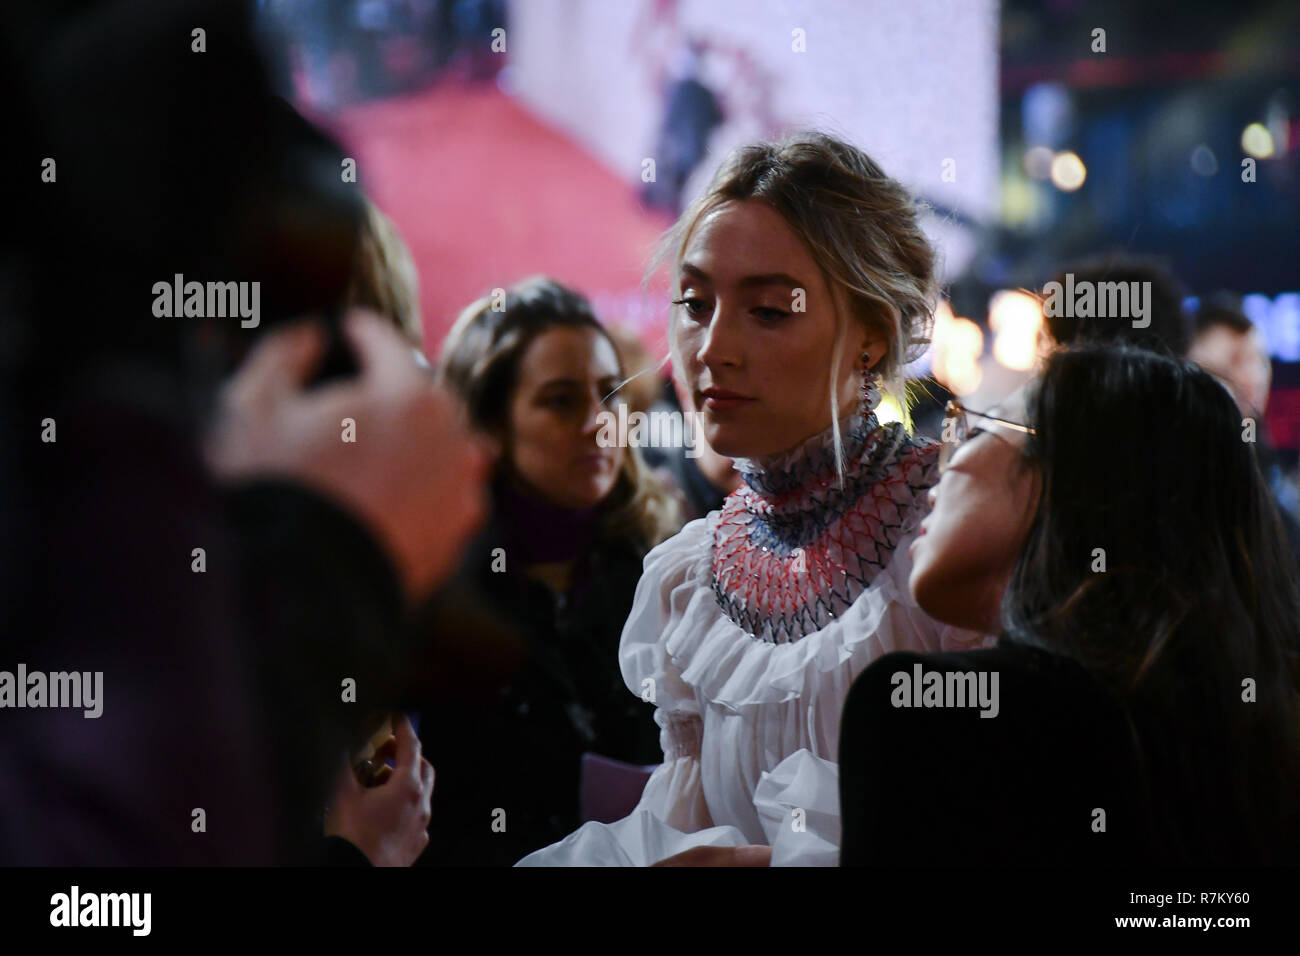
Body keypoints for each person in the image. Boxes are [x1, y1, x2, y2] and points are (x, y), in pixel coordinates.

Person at [517, 132, 988, 867]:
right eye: (696, 304)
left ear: (872, 336)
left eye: (768, 311)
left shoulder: (956, 533)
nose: (710, 347)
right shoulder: (686, 578)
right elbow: (675, 821)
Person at [841, 343, 1300, 865]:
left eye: (972, 430)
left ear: (1067, 476)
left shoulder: (927, 715)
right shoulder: (1255, 739)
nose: (935, 479)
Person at [416, 277, 680, 865]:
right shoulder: (430, 590)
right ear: (487, 421)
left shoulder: (663, 563)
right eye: (561, 400)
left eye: (610, 393)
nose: (599, 422)